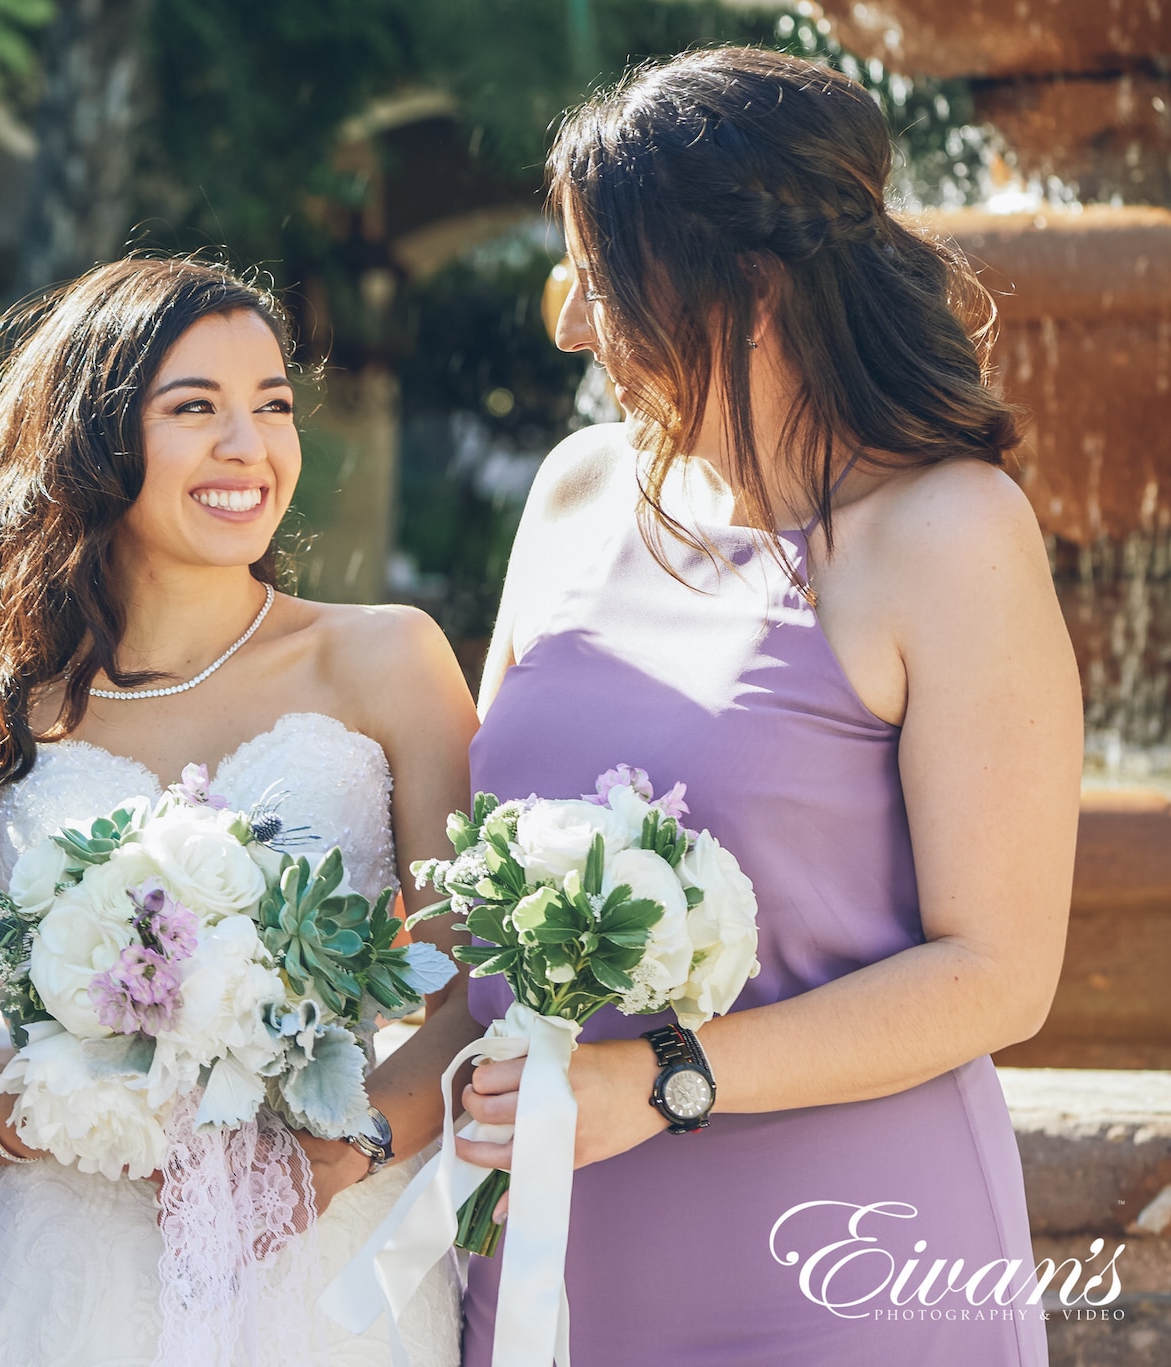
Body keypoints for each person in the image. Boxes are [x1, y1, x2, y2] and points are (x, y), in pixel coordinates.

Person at [458, 48, 1079, 1364]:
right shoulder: (576, 492)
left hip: (844, 1257)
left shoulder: (947, 530)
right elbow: (470, 873)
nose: (572, 321)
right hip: (549, 1240)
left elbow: (999, 970)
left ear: (742, 284)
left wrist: (667, 1074)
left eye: (601, 274)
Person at [0, 256, 484, 1365]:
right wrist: (74, 1117)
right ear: (93, 436)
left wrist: (346, 1147)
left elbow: (467, 991)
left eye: (273, 406)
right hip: (71, 1278)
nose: (247, 445)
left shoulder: (390, 660)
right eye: (195, 407)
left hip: (331, 1270)